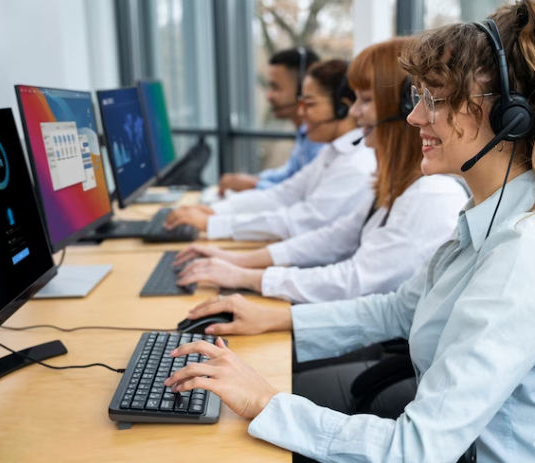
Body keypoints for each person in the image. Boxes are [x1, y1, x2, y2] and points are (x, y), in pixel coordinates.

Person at [163, 1, 535, 461]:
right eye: (418, 98)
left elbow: (417, 449)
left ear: (511, 116)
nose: (415, 118)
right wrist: (276, 319)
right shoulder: (487, 216)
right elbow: (399, 308)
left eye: (436, 99)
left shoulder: (524, 252)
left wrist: (265, 403)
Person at [171, 38, 468, 304]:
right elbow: (334, 236)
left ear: (403, 110)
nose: (353, 112)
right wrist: (237, 262)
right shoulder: (394, 184)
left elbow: (354, 279)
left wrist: (246, 275)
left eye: (364, 101)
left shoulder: (429, 195)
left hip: (371, 341)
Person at [164, 60, 376, 240]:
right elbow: (282, 195)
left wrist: (214, 223)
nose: (301, 113)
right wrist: (214, 211)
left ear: (343, 107)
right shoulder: (333, 151)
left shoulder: (355, 164)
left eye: (309, 104)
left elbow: (302, 222)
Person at [219, 48, 325, 194]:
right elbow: (288, 175)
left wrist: (253, 185)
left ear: (303, 90)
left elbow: (302, 194)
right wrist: (253, 180)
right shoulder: (304, 132)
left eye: (275, 87)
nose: (268, 96)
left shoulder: (321, 140)